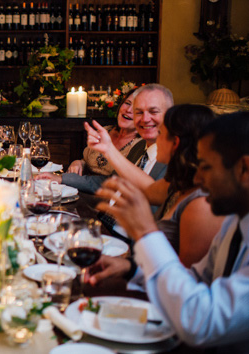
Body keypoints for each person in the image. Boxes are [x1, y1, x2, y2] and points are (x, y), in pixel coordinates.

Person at [95, 112, 249, 352]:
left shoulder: (208, 208)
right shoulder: (236, 223)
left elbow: (199, 321)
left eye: (206, 167)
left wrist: (146, 233)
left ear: (244, 168)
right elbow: (196, 281)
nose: (198, 177)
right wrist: (131, 269)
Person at [87, 104, 223, 286]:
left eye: (160, 134)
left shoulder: (200, 205)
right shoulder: (178, 183)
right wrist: (129, 267)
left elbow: (184, 286)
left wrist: (142, 228)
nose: (154, 140)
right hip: (145, 278)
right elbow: (148, 190)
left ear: (175, 143)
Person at [41, 84, 173, 194]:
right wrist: (62, 177)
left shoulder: (172, 158)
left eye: (153, 111)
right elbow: (111, 181)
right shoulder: (140, 148)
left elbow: (155, 195)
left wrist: (109, 150)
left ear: (169, 114)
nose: (145, 119)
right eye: (139, 112)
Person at [66, 89, 142, 176]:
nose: (128, 110)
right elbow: (87, 161)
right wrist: (78, 163)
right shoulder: (105, 131)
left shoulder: (141, 145)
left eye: (136, 108)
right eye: (127, 103)